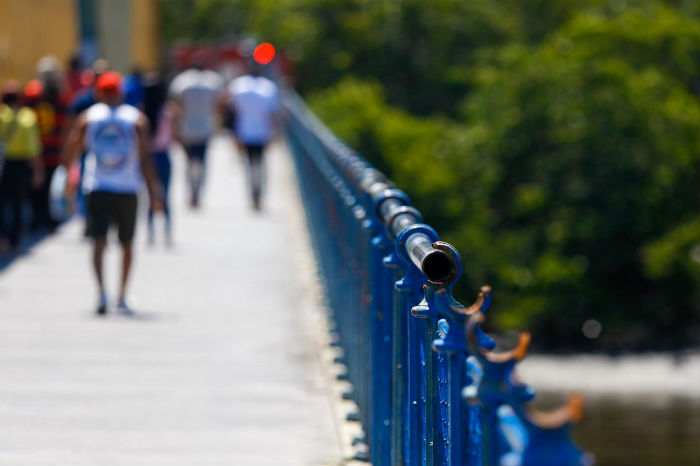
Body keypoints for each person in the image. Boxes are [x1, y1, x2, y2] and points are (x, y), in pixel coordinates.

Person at [60, 71, 162, 315]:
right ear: (121, 92)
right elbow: (145, 158)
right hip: (127, 187)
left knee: (99, 242)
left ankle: (102, 293)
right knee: (126, 244)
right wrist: (155, 192)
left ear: (99, 92)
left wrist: (69, 181)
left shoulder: (88, 118)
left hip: (98, 185)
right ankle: (122, 295)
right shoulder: (136, 119)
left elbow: (72, 152)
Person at [168, 60, 224, 208]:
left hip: (187, 127)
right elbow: (218, 104)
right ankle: (197, 193)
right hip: (205, 127)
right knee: (202, 162)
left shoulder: (182, 81)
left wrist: (175, 129)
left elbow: (175, 106)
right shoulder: (212, 81)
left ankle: (192, 192)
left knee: (189, 163)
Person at [227, 63, 280, 211]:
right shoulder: (268, 87)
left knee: (251, 165)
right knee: (259, 164)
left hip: (244, 131)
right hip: (262, 132)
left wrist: (233, 134)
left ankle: (254, 194)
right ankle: (257, 194)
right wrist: (274, 132)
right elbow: (272, 113)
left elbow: (232, 110)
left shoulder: (238, 85)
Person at [26, 56, 69, 231]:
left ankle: (45, 218)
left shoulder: (59, 94)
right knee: (37, 187)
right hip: (39, 148)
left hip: (52, 148)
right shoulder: (34, 95)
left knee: (49, 187)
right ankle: (39, 218)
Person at [0, 81, 43, 252]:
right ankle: (15, 240)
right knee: (18, 203)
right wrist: (38, 170)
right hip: (21, 165)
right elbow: (33, 148)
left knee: (2, 204)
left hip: (3, 163)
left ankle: (2, 238)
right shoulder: (27, 117)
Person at [143, 74, 173, 245]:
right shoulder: (168, 111)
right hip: (163, 155)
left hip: (149, 158)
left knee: (149, 196)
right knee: (166, 195)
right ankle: (167, 232)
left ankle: (151, 233)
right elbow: (174, 136)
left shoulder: (142, 114)